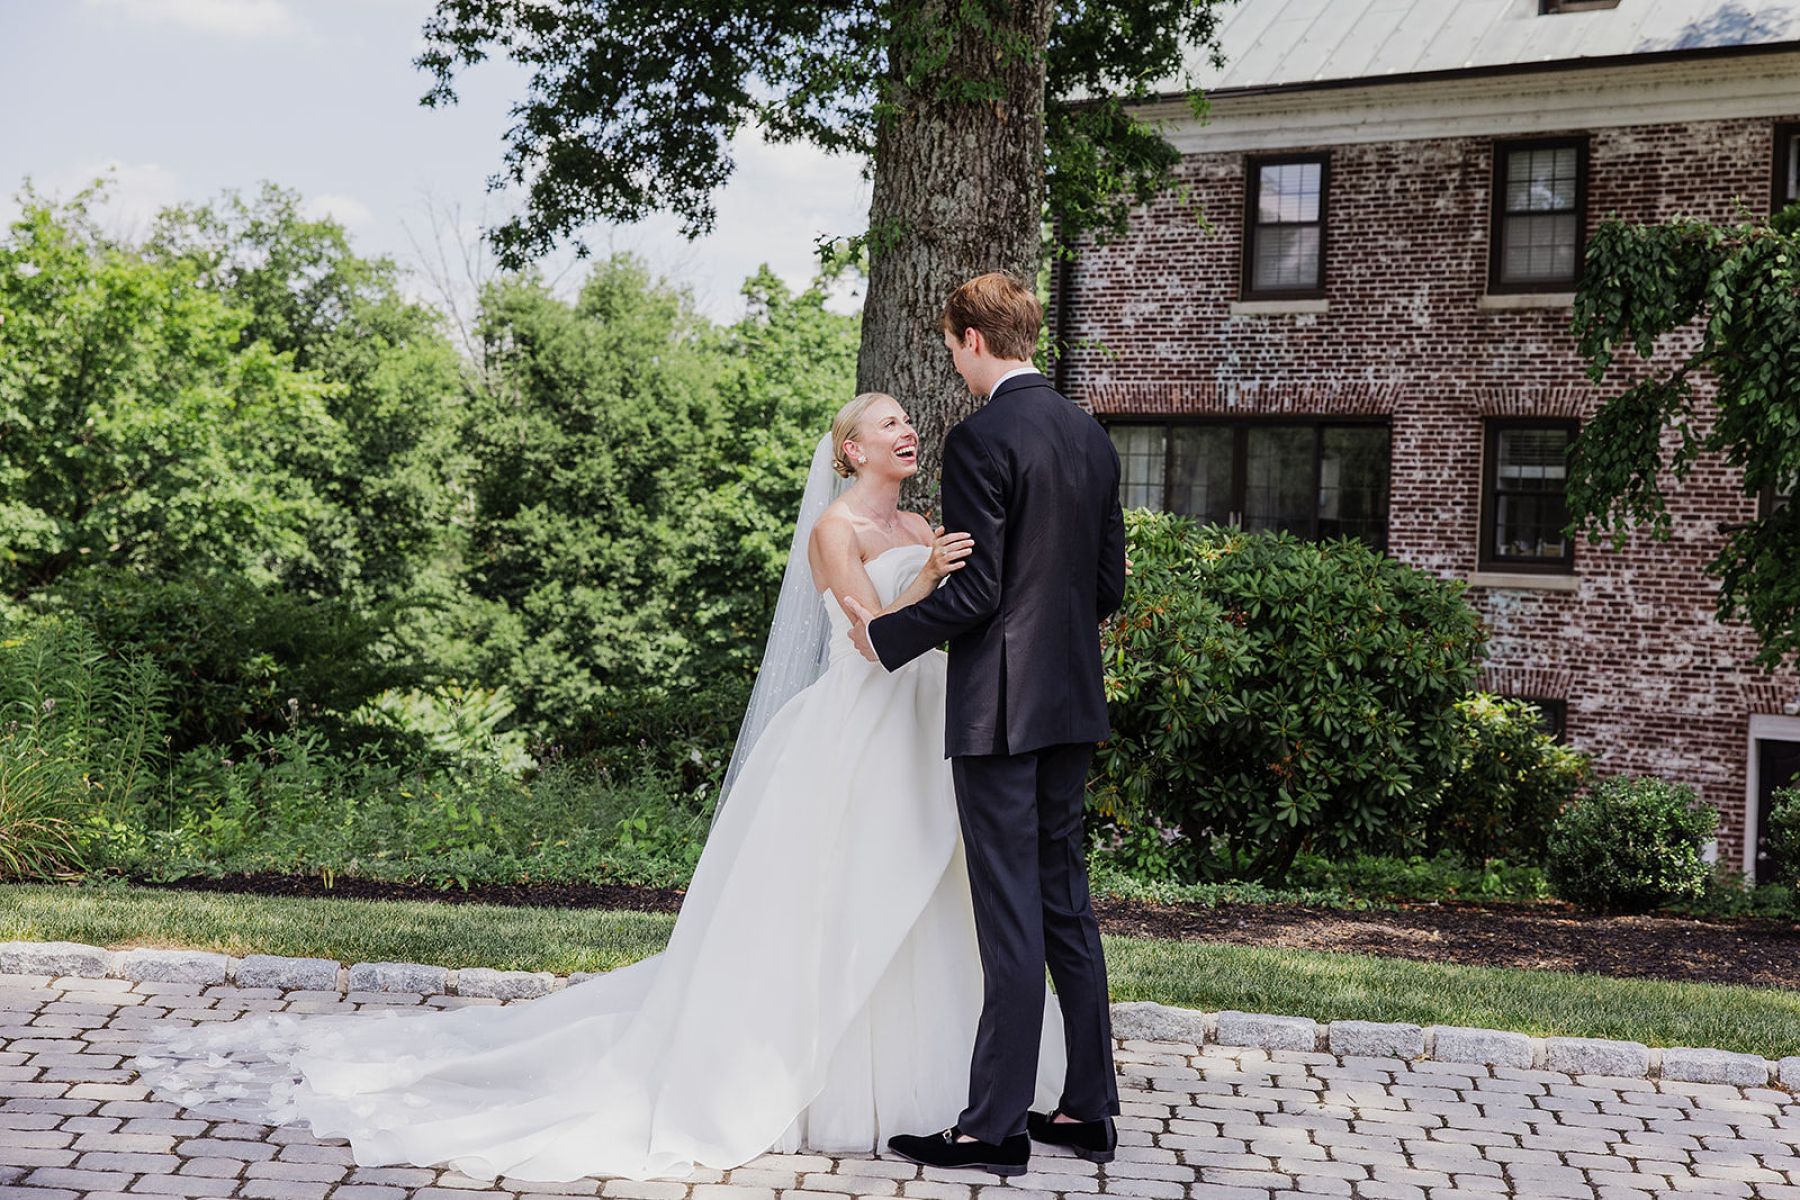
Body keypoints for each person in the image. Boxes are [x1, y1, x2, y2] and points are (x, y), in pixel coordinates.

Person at [128, 390, 1069, 1184]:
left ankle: (962, 1083)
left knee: (931, 897)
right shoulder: (836, 529)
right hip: (855, 732)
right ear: (849, 448)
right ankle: (808, 1075)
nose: (907, 433)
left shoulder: (920, 522)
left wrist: (949, 575)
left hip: (927, 730)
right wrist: (923, 589)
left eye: (910, 422)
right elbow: (866, 637)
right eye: (885, 424)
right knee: (836, 897)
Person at [842, 271, 1128, 1178]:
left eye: (951, 345)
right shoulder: (1090, 434)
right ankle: (1088, 1110)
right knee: (1065, 908)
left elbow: (978, 591)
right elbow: (1107, 589)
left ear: (972, 338)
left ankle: (992, 1129)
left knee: (1009, 918)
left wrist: (887, 638)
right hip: (1072, 705)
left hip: (1001, 714)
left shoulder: (980, 440)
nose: (954, 361)